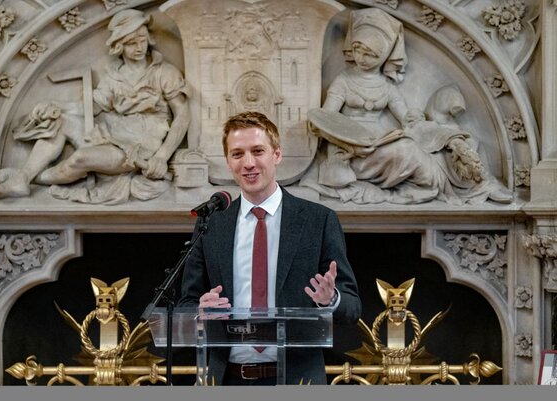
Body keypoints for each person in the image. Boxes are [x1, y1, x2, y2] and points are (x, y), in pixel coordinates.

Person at [178, 111, 361, 385]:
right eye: (237, 154)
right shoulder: (212, 224)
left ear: (276, 154)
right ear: (228, 161)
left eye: (258, 151)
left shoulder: (318, 221)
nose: (248, 163)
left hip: (298, 380)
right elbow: (187, 304)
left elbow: (352, 307)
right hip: (226, 379)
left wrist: (329, 299)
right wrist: (199, 311)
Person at [302, 8, 512, 205]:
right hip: (350, 151)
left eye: (370, 54)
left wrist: (436, 132)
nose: (361, 58)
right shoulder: (344, 80)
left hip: (379, 144)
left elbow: (407, 120)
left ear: (384, 55)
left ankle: (477, 183)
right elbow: (327, 117)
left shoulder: (387, 87)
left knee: (417, 149)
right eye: (357, 50)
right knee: (407, 149)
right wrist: (344, 140)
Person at [0, 9, 190, 204]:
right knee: (59, 121)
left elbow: (182, 114)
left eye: (143, 40)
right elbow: (92, 107)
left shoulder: (164, 72)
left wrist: (162, 156)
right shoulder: (114, 76)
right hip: (112, 134)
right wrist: (56, 106)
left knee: (81, 158)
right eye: (131, 43)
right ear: (119, 45)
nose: (139, 48)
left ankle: (29, 178)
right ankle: (23, 178)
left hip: (139, 149)